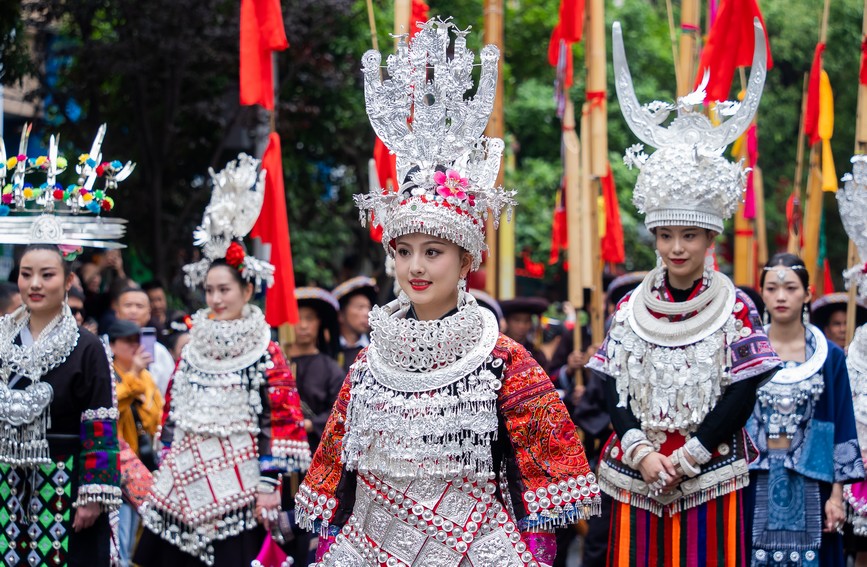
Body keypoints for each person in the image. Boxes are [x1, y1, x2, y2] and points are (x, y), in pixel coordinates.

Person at [296, 20, 600, 567]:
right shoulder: (368, 366)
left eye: (433, 251)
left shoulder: (504, 362)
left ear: (466, 260)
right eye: (403, 250)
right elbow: (333, 484)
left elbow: (550, 489)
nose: (415, 266)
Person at [587, 21, 782, 565]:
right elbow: (613, 388)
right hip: (638, 470)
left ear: (708, 237)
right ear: (654, 236)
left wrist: (690, 454)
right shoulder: (630, 308)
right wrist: (643, 453)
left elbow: (741, 393)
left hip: (711, 471)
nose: (677, 248)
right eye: (667, 235)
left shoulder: (736, 307)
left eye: (688, 236)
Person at [135, 153, 311, 567]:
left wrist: (270, 483)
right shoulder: (193, 344)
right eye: (210, 290)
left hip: (243, 482)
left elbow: (281, 419)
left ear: (247, 290)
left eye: (224, 290)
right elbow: (174, 410)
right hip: (186, 476)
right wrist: (168, 461)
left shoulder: (265, 349)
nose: (215, 299)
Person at [0, 244, 121, 565]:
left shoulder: (88, 347)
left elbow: (101, 425)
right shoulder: (2, 340)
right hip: (4, 480)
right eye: (27, 275)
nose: (35, 284)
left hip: (65, 483)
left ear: (68, 282)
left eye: (47, 274)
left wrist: (92, 495)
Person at [744, 254, 863, 566]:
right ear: (763, 293)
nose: (781, 296)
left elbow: (840, 425)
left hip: (814, 483)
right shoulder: (744, 352)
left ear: (808, 293)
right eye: (771, 288)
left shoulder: (830, 358)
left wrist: (837, 497)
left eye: (791, 288)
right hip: (753, 482)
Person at [108, 319, 164, 567]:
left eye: (137, 341)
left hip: (141, 465)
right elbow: (110, 408)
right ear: (112, 345)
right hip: (115, 466)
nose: (134, 347)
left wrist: (137, 377)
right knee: (121, 544)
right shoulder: (106, 373)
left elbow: (156, 418)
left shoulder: (147, 378)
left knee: (140, 542)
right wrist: (132, 377)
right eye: (127, 341)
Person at [290, 287, 345, 454]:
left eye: (309, 318)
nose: (304, 325)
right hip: (282, 449)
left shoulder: (331, 369)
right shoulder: (277, 363)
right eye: (297, 318)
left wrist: (311, 424)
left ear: (319, 322)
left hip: (316, 452)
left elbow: (340, 411)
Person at [113, 286, 175, 396]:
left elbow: (168, 392)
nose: (133, 311)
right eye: (128, 305)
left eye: (139, 306)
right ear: (117, 311)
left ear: (149, 314)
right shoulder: (103, 347)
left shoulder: (160, 352)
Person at [331, 275, 377, 374]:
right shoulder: (328, 349)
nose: (367, 314)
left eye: (368, 308)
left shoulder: (375, 351)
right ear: (341, 315)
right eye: (360, 308)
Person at [500, 296, 551, 370]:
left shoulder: (537, 355)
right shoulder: (497, 351)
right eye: (516, 320)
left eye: (526, 321)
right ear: (507, 321)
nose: (522, 326)